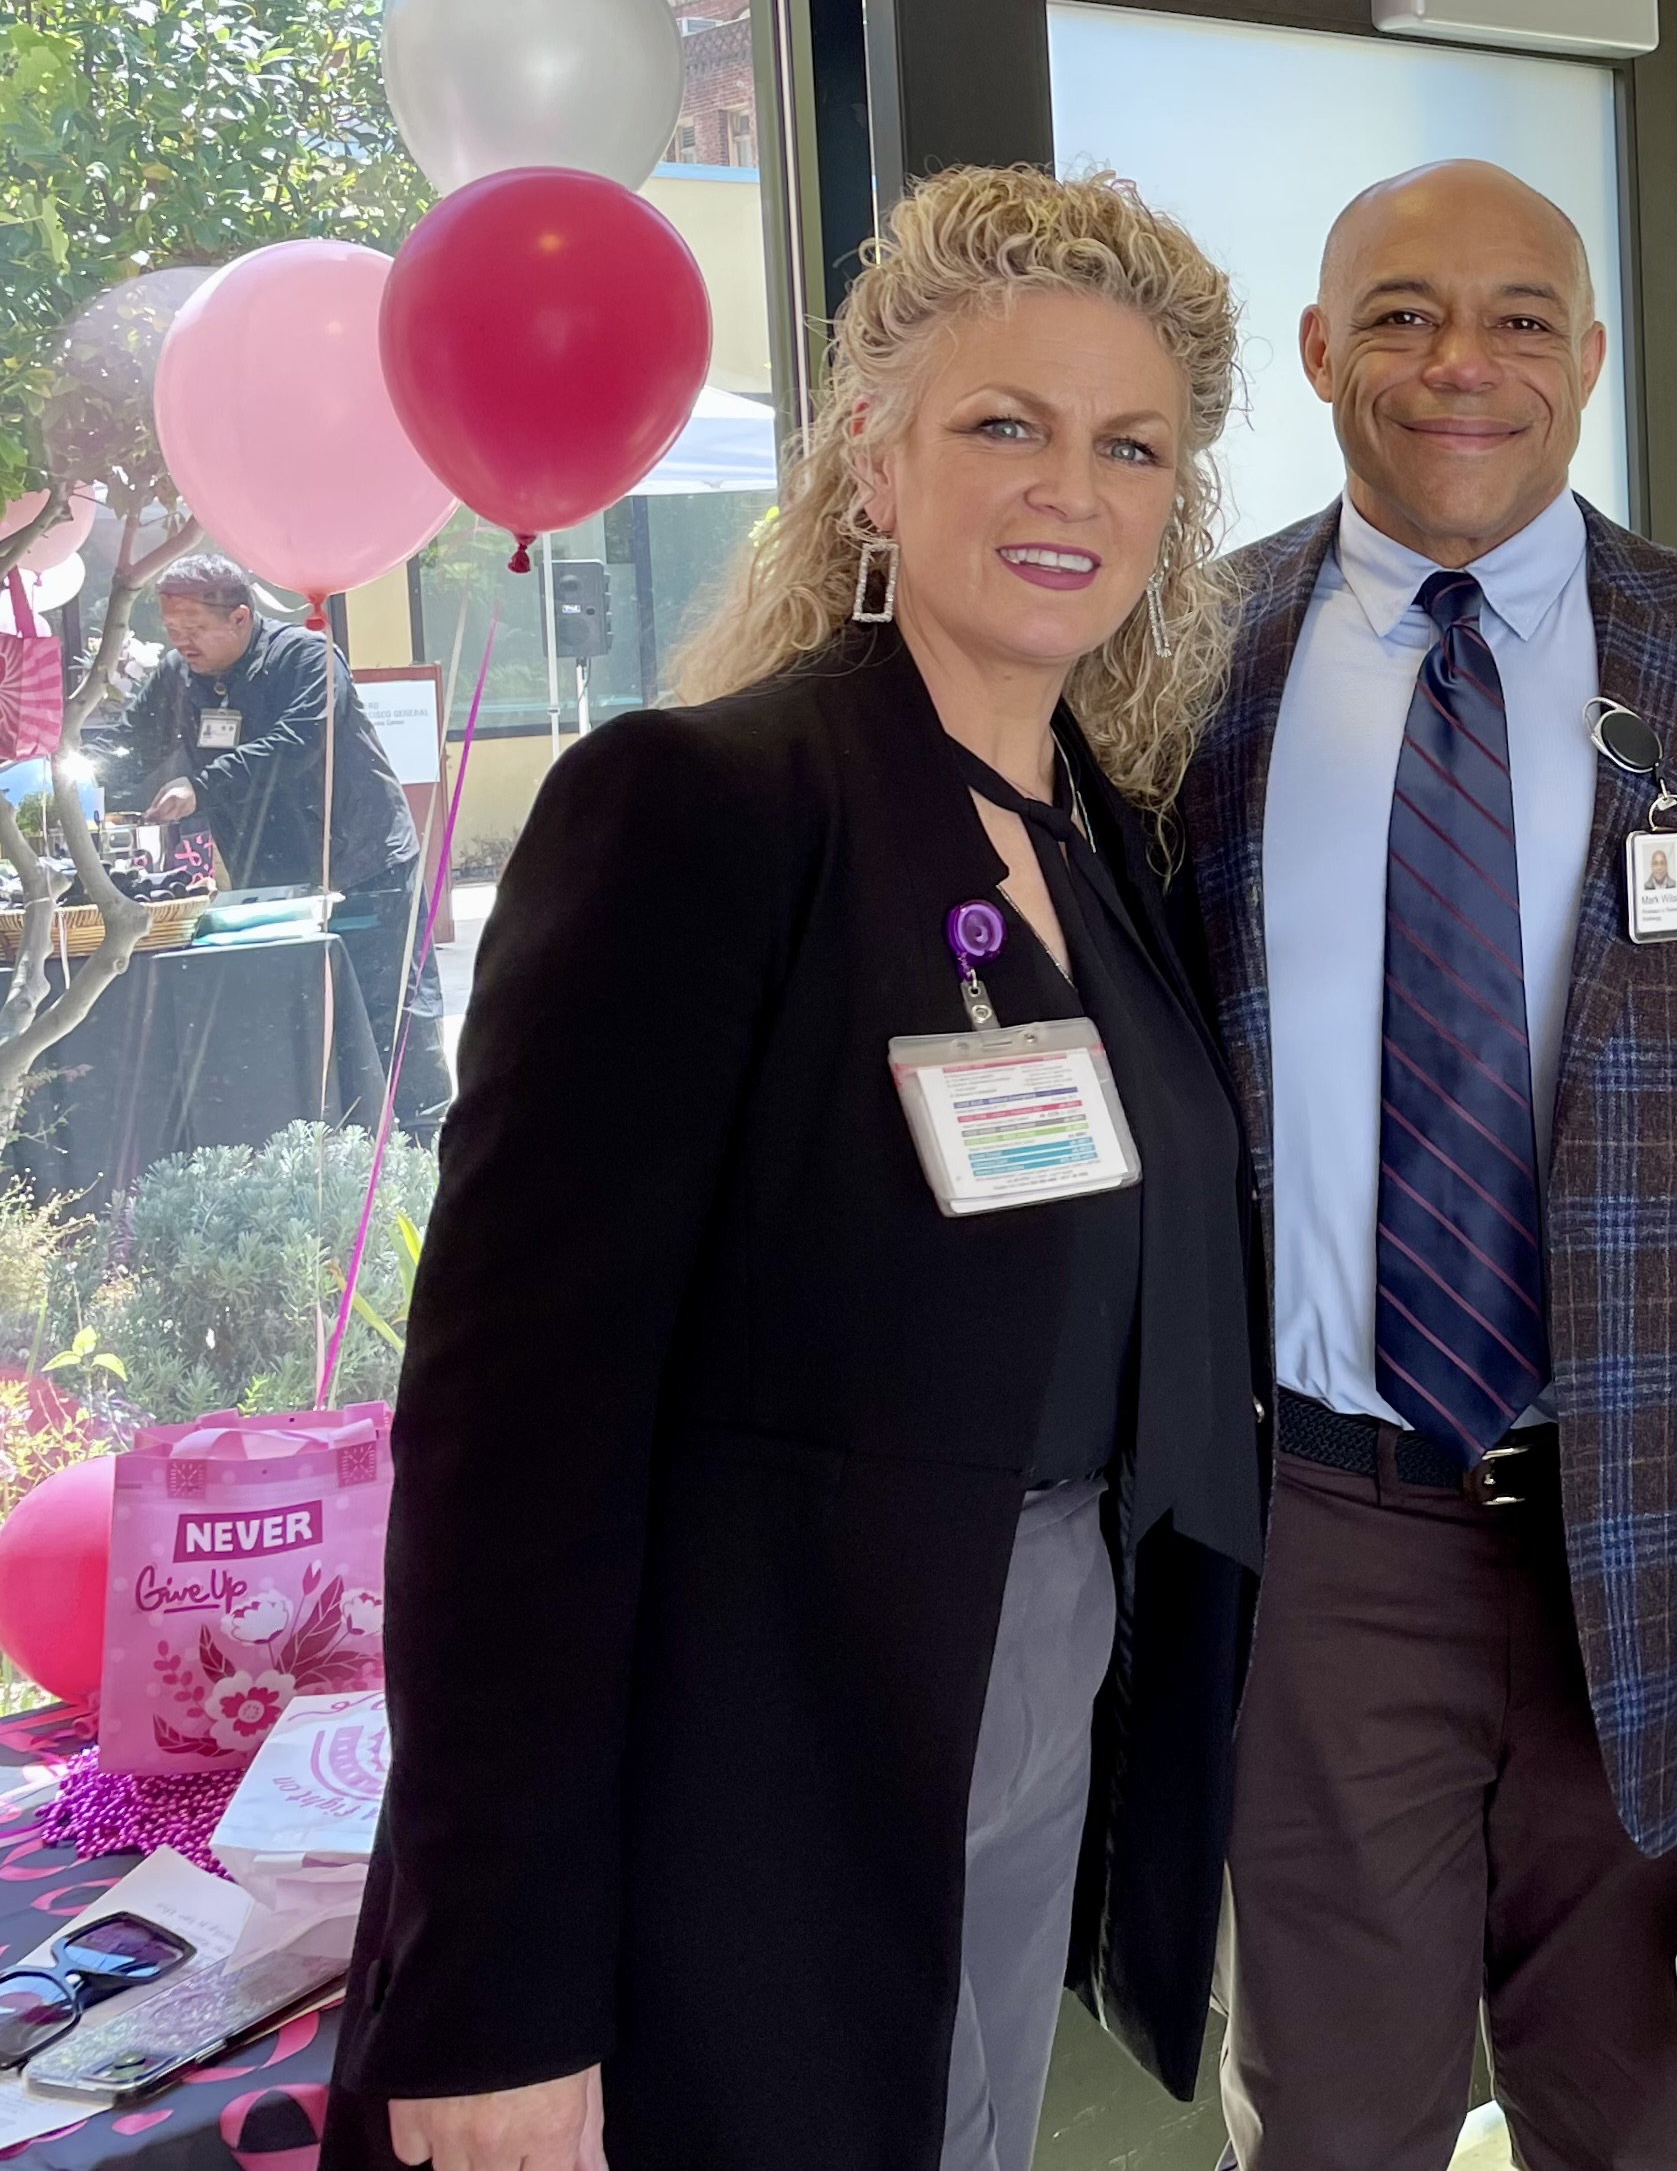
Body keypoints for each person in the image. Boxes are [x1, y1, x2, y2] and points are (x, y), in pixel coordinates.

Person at [324, 169, 1270, 2171]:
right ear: (873, 460)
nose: (1067, 489)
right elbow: (511, 1444)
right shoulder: (703, 813)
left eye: (1129, 447)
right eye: (1001, 423)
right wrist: (491, 1977)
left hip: (1024, 1700)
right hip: (755, 1735)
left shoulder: (1105, 837)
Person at [1186, 158, 1677, 2171]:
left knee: (1634, 2121)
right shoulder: (1183, 676)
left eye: (1517, 315)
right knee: (1328, 2122)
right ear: (1321, 350)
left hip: (1663, 1541)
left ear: (1588, 356)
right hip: (1323, 1532)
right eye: (1400, 312)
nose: (1458, 362)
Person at [110, 550, 448, 1126]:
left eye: (194, 629)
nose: (182, 643)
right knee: (298, 1015)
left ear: (240, 618)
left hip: (362, 866)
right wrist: (61, 789)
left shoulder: (308, 657)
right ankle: (332, 1150)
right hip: (270, 881)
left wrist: (200, 787)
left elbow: (299, 743)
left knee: (393, 1013)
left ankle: (425, 1145)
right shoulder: (177, 675)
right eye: (171, 630)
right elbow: (127, 744)